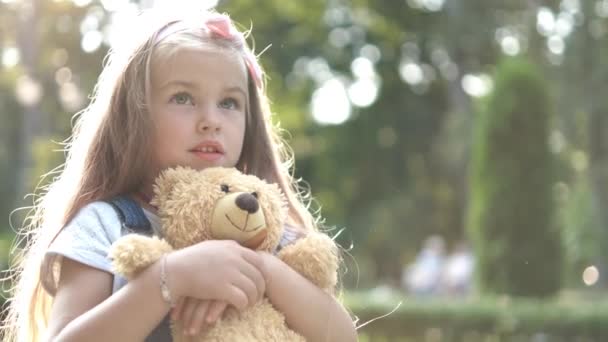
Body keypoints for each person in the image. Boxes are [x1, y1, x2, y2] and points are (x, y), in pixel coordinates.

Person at [2, 7, 357, 342]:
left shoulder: (265, 233)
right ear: (134, 115)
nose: (211, 120)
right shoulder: (105, 226)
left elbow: (343, 336)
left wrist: (262, 270)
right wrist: (170, 278)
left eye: (229, 103)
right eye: (183, 98)